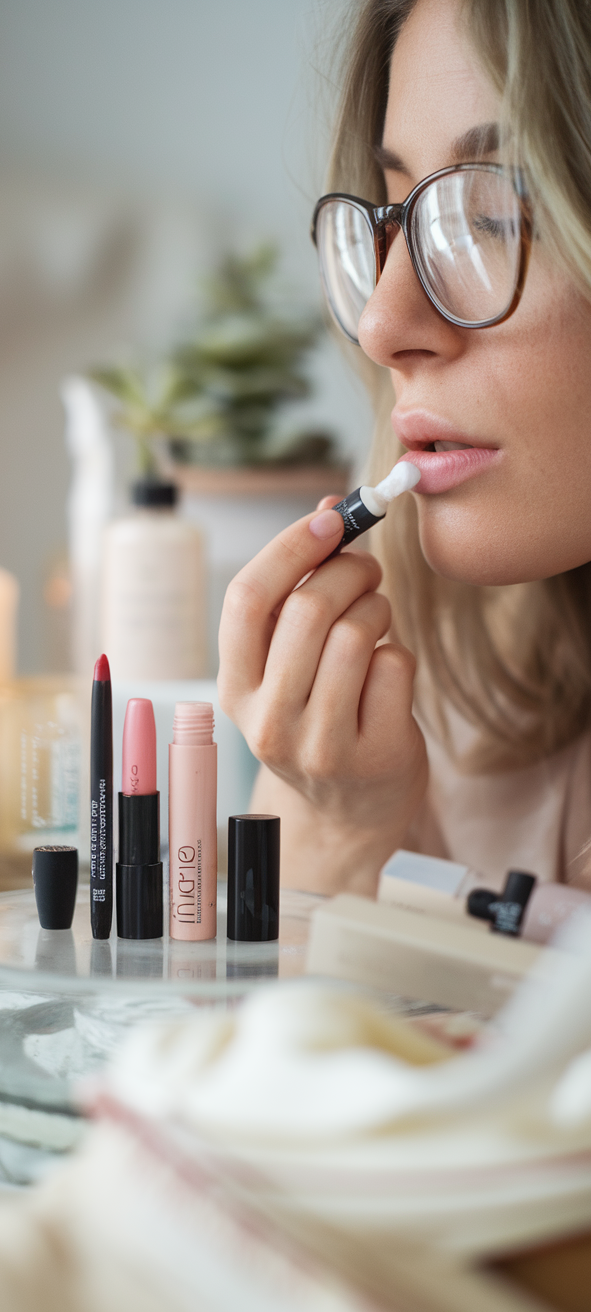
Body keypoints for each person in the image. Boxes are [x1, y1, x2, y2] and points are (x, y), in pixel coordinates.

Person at [218, 0, 591, 895]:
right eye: (395, 214)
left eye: (490, 217)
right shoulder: (436, 686)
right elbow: (227, 1040)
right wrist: (328, 833)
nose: (383, 322)